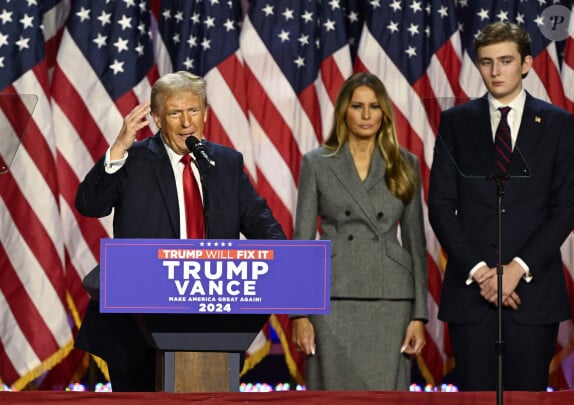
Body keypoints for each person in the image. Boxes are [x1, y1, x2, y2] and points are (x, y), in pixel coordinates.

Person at [74, 71, 285, 391]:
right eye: (175, 113)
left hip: (214, 325)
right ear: (157, 118)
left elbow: (261, 222)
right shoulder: (134, 159)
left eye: (194, 110)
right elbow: (90, 205)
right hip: (138, 326)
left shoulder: (224, 163)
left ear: (206, 112)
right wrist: (118, 147)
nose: (187, 122)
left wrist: (289, 261)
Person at [428, 22, 574, 391]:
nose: (496, 71)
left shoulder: (558, 123)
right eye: (486, 62)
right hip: (471, 296)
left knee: (527, 397)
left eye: (506, 61)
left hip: (533, 293)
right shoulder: (455, 122)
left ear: (526, 64)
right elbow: (441, 207)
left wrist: (517, 269)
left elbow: (566, 206)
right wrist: (483, 273)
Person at [291, 72, 428, 390]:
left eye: (374, 106)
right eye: (357, 106)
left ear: (385, 113)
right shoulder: (317, 163)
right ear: (344, 111)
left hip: (390, 299)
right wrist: (298, 314)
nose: (367, 115)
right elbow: (301, 241)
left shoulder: (405, 163)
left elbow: (415, 243)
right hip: (331, 295)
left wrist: (419, 316)